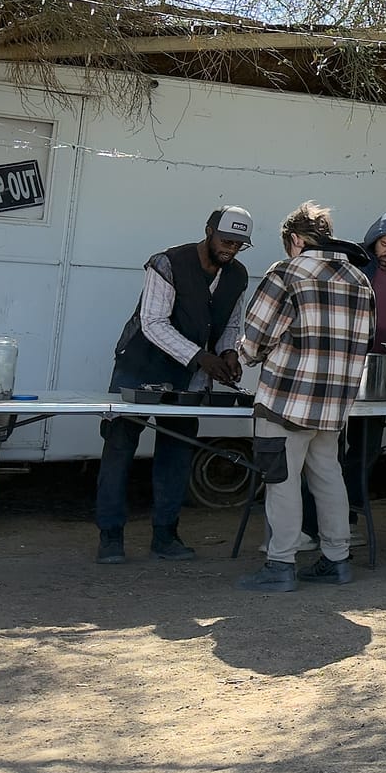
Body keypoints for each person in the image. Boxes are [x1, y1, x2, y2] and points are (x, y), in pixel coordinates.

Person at [95, 207, 253, 564]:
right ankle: (110, 536)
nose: (230, 249)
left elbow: (231, 324)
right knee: (119, 447)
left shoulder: (238, 275)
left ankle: (165, 535)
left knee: (177, 451)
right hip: (139, 366)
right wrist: (201, 356)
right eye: (226, 240)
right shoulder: (166, 263)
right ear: (209, 231)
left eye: (239, 244)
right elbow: (153, 322)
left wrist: (229, 352)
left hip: (188, 373)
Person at [236, 202, 375, 594]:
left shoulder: (286, 272)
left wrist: (245, 355)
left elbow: (257, 336)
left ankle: (280, 563)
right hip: (334, 402)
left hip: (286, 397)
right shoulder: (360, 279)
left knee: (281, 480)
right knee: (328, 476)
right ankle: (337, 559)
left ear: (295, 239)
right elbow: (366, 339)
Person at [294, 210, 386, 551]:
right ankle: (309, 525)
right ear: (373, 241)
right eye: (384, 244)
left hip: (382, 369)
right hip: (339, 365)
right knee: (326, 450)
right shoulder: (353, 264)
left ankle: (345, 521)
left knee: (366, 450)